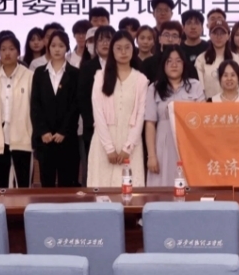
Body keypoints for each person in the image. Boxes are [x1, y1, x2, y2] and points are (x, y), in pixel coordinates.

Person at [88, 30, 149, 187]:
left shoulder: (141, 79)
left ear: (133, 49)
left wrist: (128, 147)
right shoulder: (100, 77)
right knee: (101, 189)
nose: (123, 52)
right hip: (103, 141)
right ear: (112, 50)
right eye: (118, 48)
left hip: (130, 143)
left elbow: (140, 115)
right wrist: (109, 148)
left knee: (129, 191)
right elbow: (98, 113)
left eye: (127, 47)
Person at [144, 46, 205, 185]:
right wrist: (151, 156)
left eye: (178, 61)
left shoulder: (195, 86)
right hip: (163, 142)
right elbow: (150, 123)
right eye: (169, 61)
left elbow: (202, 120)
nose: (174, 64)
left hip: (189, 143)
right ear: (163, 65)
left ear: (184, 64)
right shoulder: (154, 88)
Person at [31, 31, 80, 188]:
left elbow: (75, 105)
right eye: (53, 45)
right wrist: (43, 131)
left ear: (67, 47)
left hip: (67, 138)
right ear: (48, 47)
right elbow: (35, 104)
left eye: (61, 46)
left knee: (67, 184)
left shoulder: (75, 73)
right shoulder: (39, 73)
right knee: (47, 185)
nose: (57, 49)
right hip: (45, 139)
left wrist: (63, 131)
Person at [0, 32, 33, 189]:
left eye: (11, 49)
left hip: (22, 135)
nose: (7, 53)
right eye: (3, 49)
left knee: (23, 184)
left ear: (18, 52)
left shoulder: (29, 76)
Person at [78, 26, 114, 181]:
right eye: (100, 40)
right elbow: (83, 99)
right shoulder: (87, 67)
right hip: (93, 128)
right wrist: (94, 122)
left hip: (117, 128)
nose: (105, 43)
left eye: (108, 39)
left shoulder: (123, 65)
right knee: (94, 170)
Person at [195, 23, 238, 99]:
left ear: (228, 36)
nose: (218, 37)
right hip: (209, 103)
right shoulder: (201, 59)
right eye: (215, 33)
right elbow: (201, 88)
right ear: (210, 35)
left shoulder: (235, 58)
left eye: (222, 33)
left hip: (232, 103)